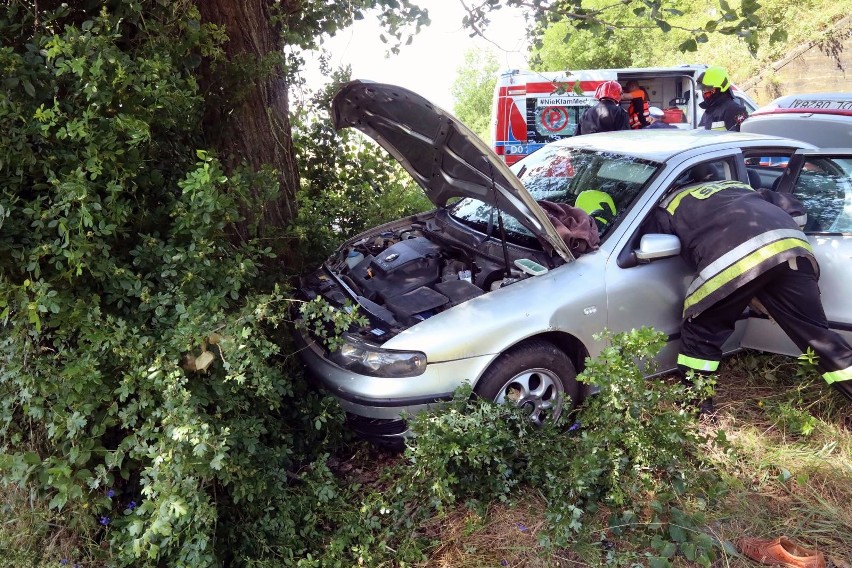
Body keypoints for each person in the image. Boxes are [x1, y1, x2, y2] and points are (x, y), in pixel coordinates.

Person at [643, 166, 852, 412]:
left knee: (702, 329)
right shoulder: (740, 187)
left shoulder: (667, 205)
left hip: (734, 259)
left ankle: (696, 408)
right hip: (792, 250)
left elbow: (650, 243)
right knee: (819, 337)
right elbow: (796, 212)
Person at [697, 66, 748, 131]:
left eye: (708, 88)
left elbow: (737, 138)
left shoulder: (734, 110)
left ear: (720, 88)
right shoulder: (709, 111)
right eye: (703, 89)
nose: (704, 92)